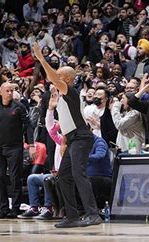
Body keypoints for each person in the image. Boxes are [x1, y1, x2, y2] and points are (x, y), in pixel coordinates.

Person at [33, 43, 101, 228]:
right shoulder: (62, 97)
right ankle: (72, 216)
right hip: (72, 139)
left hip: (81, 138)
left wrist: (41, 59)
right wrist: (64, 139)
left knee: (79, 174)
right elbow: (67, 122)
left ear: (68, 79)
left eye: (60, 76)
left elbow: (53, 77)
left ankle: (93, 214)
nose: (55, 78)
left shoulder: (71, 92)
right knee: (63, 176)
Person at [0, 82, 36, 218]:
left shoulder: (19, 107)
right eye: (7, 91)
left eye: (12, 90)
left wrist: (31, 145)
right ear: (1, 93)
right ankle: (2, 208)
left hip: (15, 147)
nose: (10, 93)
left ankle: (15, 209)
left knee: (15, 178)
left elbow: (28, 126)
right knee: (0, 177)